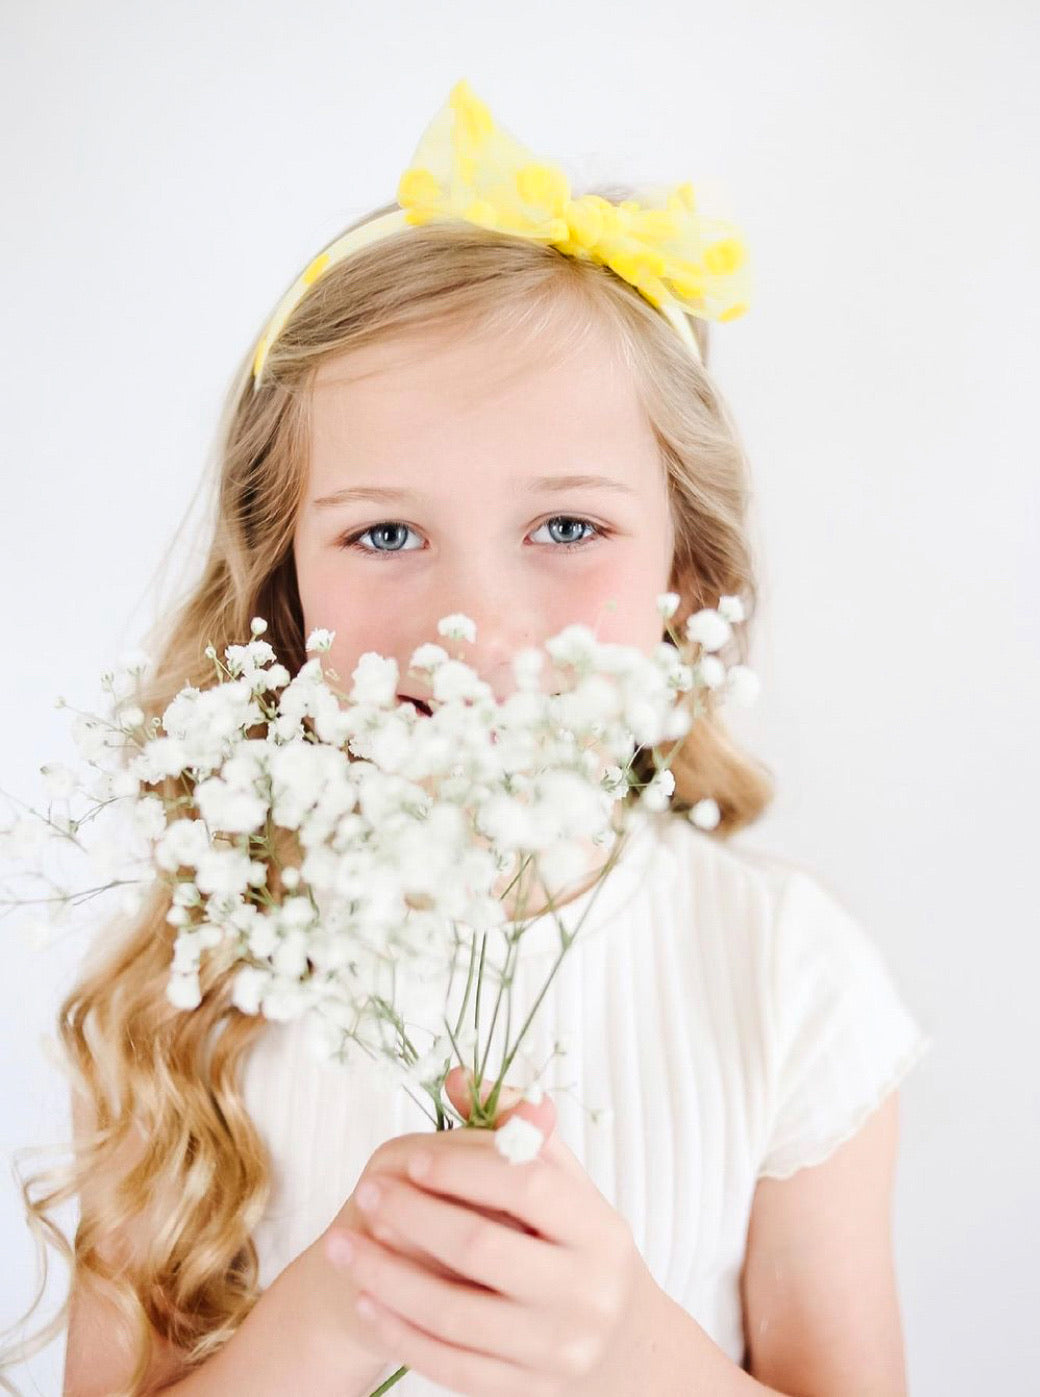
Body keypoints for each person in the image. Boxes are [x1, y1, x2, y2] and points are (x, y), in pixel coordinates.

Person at [1, 80, 932, 1396]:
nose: (476, 621)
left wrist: (624, 1347)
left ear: (687, 581)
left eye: (565, 528)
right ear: (287, 591)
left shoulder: (783, 979)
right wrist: (333, 1313)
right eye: (385, 534)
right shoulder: (193, 980)